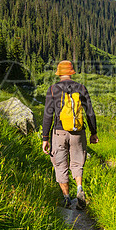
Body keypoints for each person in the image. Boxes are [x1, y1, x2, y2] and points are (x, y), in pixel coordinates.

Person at [41, 60, 99, 210]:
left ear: (59, 73)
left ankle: (67, 198)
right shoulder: (81, 88)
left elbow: (48, 115)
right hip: (78, 132)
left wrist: (45, 138)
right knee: (77, 163)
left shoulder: (53, 89)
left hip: (59, 133)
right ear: (72, 72)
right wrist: (93, 132)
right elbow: (89, 112)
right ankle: (79, 188)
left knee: (60, 164)